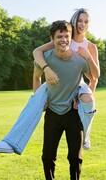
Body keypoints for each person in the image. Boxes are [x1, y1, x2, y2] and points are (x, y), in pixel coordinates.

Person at [0, 9, 100, 154]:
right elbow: (36, 52)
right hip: (54, 81)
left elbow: (94, 77)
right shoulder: (64, 38)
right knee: (33, 102)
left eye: (86, 21)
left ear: (89, 24)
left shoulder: (90, 47)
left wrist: (85, 100)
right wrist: (46, 69)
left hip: (78, 83)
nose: (82, 24)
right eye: (79, 20)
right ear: (73, 21)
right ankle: (9, 143)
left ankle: (86, 136)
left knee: (88, 100)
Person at [33, 20, 97, 179]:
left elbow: (94, 76)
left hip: (73, 114)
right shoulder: (44, 59)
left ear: (71, 37)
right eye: (59, 36)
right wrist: (40, 100)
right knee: (48, 156)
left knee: (75, 158)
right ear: (52, 39)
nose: (63, 40)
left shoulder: (79, 60)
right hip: (52, 113)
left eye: (67, 36)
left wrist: (89, 58)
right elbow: (36, 78)